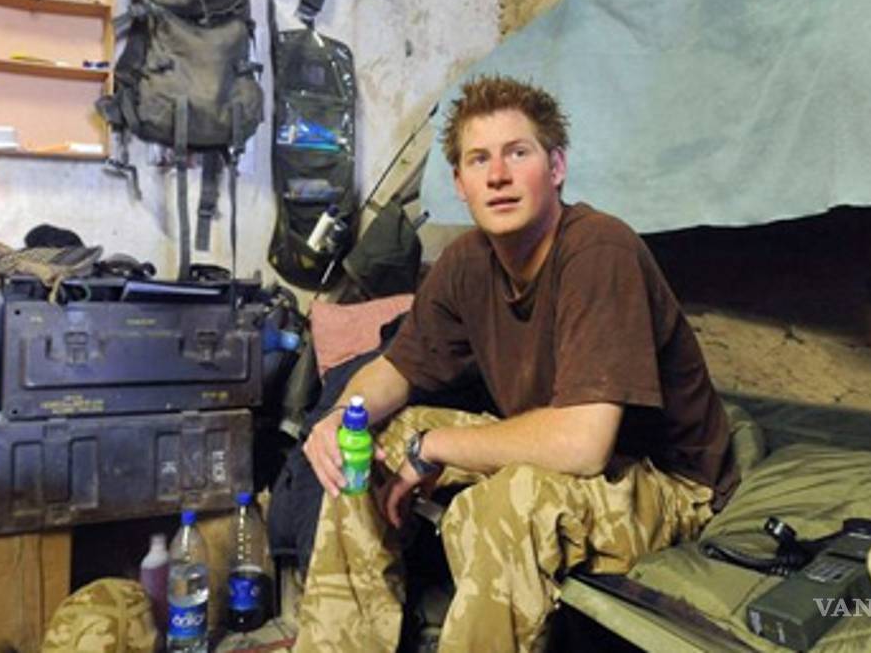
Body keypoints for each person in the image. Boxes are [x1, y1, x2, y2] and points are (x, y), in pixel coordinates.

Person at [296, 75, 738, 653]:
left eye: (518, 153)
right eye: (479, 159)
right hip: (564, 454)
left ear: (556, 167)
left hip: (666, 485)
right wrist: (339, 418)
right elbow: (395, 370)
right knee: (363, 444)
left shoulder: (599, 250)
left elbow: (583, 444)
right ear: (460, 183)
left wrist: (434, 448)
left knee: (508, 504)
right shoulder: (467, 261)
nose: (498, 175)